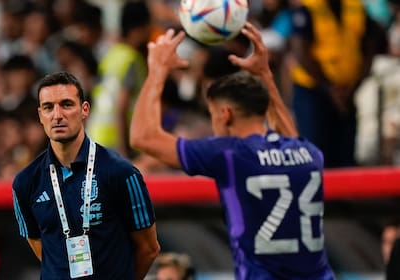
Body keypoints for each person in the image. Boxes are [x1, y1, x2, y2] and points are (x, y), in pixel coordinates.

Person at [130, 22, 335, 279]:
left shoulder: (229, 154)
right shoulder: (308, 153)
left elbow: (142, 137)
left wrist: (157, 71)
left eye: (213, 114)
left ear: (225, 114)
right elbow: (288, 134)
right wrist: (265, 75)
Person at [12, 72, 160, 279]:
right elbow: (43, 249)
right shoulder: (25, 182)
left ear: (84, 110)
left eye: (66, 104)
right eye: (48, 107)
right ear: (40, 115)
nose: (57, 115)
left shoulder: (121, 173)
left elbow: (149, 248)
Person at [289, 0, 384, 167]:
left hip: (348, 92)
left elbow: (370, 47)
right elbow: (301, 51)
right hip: (313, 92)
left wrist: (353, 87)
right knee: (316, 153)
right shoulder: (308, 8)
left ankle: (343, 193)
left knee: (345, 156)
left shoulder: (357, 8)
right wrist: (329, 89)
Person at [86, 0, 152, 158]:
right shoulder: (132, 59)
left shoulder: (111, 54)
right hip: (113, 141)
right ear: (140, 28)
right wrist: (123, 152)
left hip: (94, 135)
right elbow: (120, 106)